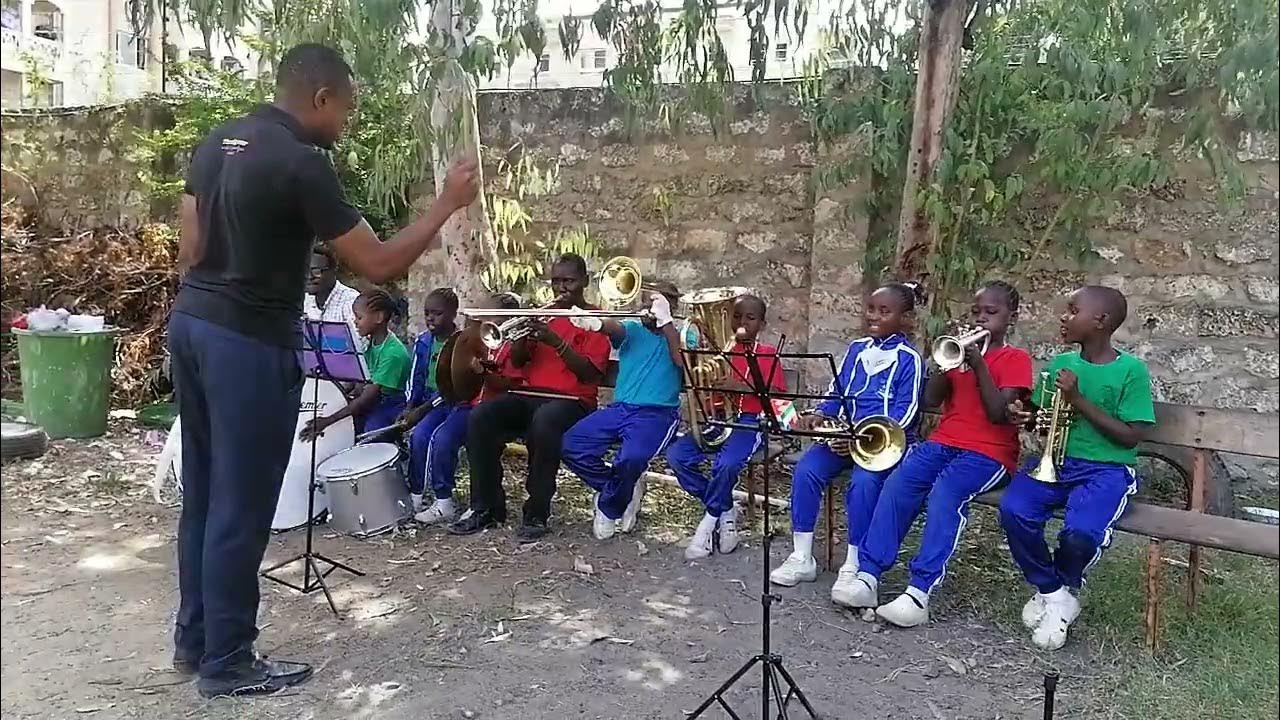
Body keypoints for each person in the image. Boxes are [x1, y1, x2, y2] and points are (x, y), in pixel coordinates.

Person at [169, 42, 478, 699]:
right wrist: (446, 202)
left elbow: (190, 249)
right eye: (345, 108)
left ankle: (195, 640)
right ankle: (227, 661)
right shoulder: (301, 164)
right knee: (241, 504)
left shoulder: (215, 141)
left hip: (192, 327)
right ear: (319, 97)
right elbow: (381, 264)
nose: (346, 122)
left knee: (203, 491)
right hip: (247, 343)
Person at [837, 281, 1031, 626]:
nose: (981, 318)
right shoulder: (961, 355)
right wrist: (948, 364)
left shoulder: (1015, 359)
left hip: (990, 453)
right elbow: (929, 400)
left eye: (991, 312)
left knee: (946, 492)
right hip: (944, 441)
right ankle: (868, 575)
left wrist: (979, 365)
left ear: (1010, 318)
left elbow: (998, 413)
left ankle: (918, 592)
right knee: (899, 482)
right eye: (976, 311)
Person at [998, 285, 1154, 651]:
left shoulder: (1131, 371)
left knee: (1081, 532)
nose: (1063, 317)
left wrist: (1078, 399)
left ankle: (1062, 589)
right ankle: (1054, 593)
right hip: (1057, 463)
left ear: (1100, 321)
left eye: (1072, 310)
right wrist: (1027, 415)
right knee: (1013, 509)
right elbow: (1043, 416)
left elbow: (1131, 436)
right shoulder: (1060, 364)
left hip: (1107, 470)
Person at [769, 283, 925, 604]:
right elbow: (835, 393)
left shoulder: (909, 358)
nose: (875, 316)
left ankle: (854, 563)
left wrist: (857, 436)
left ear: (906, 319)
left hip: (883, 446)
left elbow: (905, 413)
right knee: (807, 470)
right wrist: (822, 417)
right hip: (845, 437)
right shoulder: (856, 349)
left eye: (885, 311)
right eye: (871, 309)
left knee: (863, 484)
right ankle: (802, 557)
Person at [449, 254, 612, 542]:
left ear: (585, 281)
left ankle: (536, 513)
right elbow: (520, 361)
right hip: (529, 395)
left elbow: (590, 375)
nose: (561, 288)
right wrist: (522, 335)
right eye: (556, 282)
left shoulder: (595, 320)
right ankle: (485, 507)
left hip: (573, 401)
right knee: (481, 416)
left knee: (544, 422)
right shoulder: (546, 315)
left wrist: (555, 341)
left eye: (569, 281)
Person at [561, 281, 696, 540]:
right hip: (620, 409)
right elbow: (615, 327)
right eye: (646, 302)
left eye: (658, 303)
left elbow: (683, 362)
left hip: (657, 414)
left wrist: (666, 323)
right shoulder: (633, 328)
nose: (650, 308)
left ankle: (609, 507)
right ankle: (621, 489)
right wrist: (595, 322)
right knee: (571, 445)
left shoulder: (684, 334)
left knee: (631, 458)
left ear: (672, 306)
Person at [666, 294, 785, 560]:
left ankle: (706, 526)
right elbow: (699, 385)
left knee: (727, 464)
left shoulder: (767, 354)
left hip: (751, 422)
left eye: (750, 318)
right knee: (676, 456)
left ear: (762, 324)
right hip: (718, 419)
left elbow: (779, 398)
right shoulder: (720, 352)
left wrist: (740, 387)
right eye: (737, 316)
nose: (742, 322)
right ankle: (724, 506)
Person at [404, 291, 523, 524]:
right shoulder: (472, 340)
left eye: (493, 318)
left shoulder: (508, 345)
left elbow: (506, 383)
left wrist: (483, 372)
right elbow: (451, 380)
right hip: (464, 402)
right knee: (428, 436)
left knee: (444, 438)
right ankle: (430, 497)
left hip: (482, 407)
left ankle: (455, 501)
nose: (487, 323)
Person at [300, 288, 411, 440]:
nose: (355, 322)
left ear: (378, 317)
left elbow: (367, 398)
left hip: (389, 405)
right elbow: (359, 380)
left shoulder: (393, 354)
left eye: (359, 317)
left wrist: (327, 421)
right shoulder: (371, 343)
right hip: (373, 400)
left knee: (367, 433)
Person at [399, 287, 460, 513]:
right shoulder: (424, 342)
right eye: (427, 313)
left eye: (437, 313)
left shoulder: (460, 344)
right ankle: (416, 495)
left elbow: (454, 387)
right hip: (428, 401)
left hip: (452, 403)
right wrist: (409, 407)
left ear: (454, 314)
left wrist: (422, 410)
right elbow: (416, 377)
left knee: (440, 439)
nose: (430, 318)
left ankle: (443, 498)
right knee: (419, 436)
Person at [303, 244, 364, 351]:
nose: (309, 277)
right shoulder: (305, 299)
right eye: (305, 271)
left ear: (333, 271)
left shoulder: (351, 302)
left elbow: (361, 346)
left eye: (316, 271)